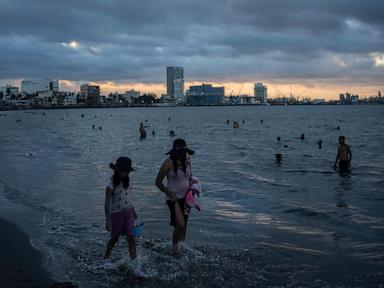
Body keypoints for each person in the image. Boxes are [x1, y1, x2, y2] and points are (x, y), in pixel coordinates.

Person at [104, 157, 143, 275]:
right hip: (116, 215)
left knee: (131, 238)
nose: (124, 173)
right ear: (117, 170)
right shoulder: (111, 183)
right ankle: (106, 257)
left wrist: (134, 211)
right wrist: (108, 219)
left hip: (129, 213)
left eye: (126, 171)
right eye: (122, 171)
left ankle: (134, 265)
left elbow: (128, 197)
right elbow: (107, 202)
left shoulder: (128, 181)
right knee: (114, 238)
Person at [155, 139, 195, 256]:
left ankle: (181, 248)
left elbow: (189, 176)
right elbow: (158, 182)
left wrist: (193, 186)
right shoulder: (168, 163)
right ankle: (174, 247)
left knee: (184, 225)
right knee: (180, 225)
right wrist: (169, 193)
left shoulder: (188, 159)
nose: (182, 156)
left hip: (187, 196)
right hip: (173, 198)